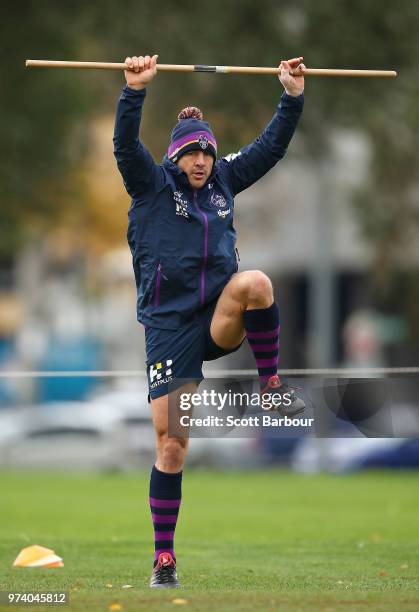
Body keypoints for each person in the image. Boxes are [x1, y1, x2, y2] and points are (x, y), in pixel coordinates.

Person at [113, 54, 305, 588]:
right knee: (172, 443)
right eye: (191, 153)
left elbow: (270, 150)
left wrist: (291, 97)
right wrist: (134, 92)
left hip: (217, 317)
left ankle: (270, 385)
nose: (201, 161)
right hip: (169, 330)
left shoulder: (224, 180)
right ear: (176, 157)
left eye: (206, 152)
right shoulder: (150, 186)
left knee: (258, 284)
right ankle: (164, 559)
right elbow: (126, 147)